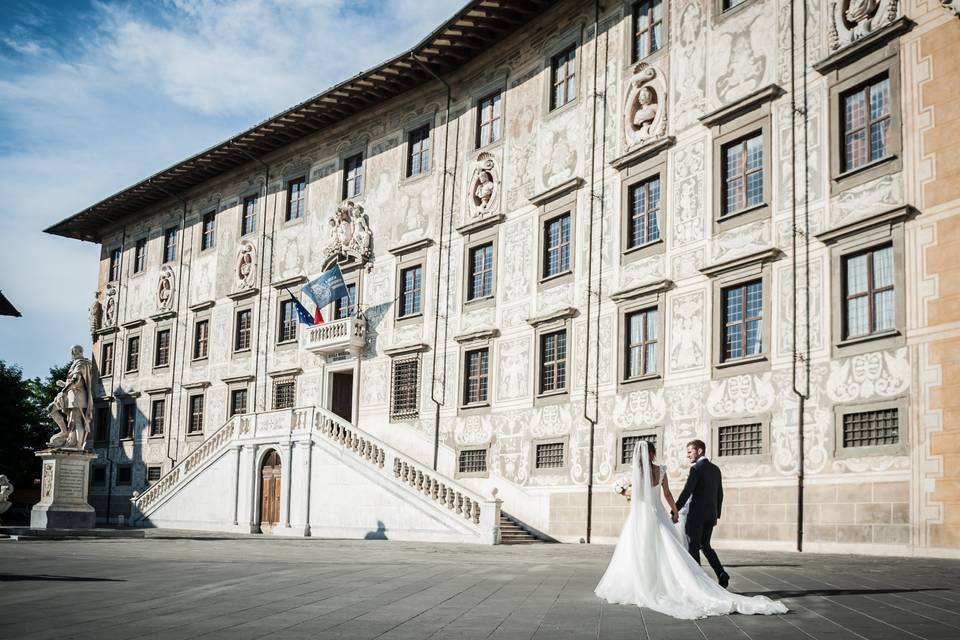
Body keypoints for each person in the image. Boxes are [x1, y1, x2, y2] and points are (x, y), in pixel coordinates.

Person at [595, 439, 787, 619]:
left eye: (690, 451)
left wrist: (620, 490)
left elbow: (635, 493)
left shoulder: (637, 473)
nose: (688, 454)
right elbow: (669, 494)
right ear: (652, 454)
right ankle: (698, 577)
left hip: (640, 518)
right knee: (673, 549)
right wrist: (675, 511)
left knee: (641, 549)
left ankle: (650, 582)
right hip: (661, 514)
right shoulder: (662, 470)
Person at [676, 439, 727, 587]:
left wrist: (675, 509)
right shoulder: (716, 469)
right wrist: (717, 515)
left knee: (693, 546)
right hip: (711, 515)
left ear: (699, 451)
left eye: (690, 452)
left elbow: (687, 492)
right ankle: (721, 573)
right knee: (706, 545)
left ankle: (699, 582)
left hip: (696, 515)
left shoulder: (696, 469)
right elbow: (720, 494)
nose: (688, 455)